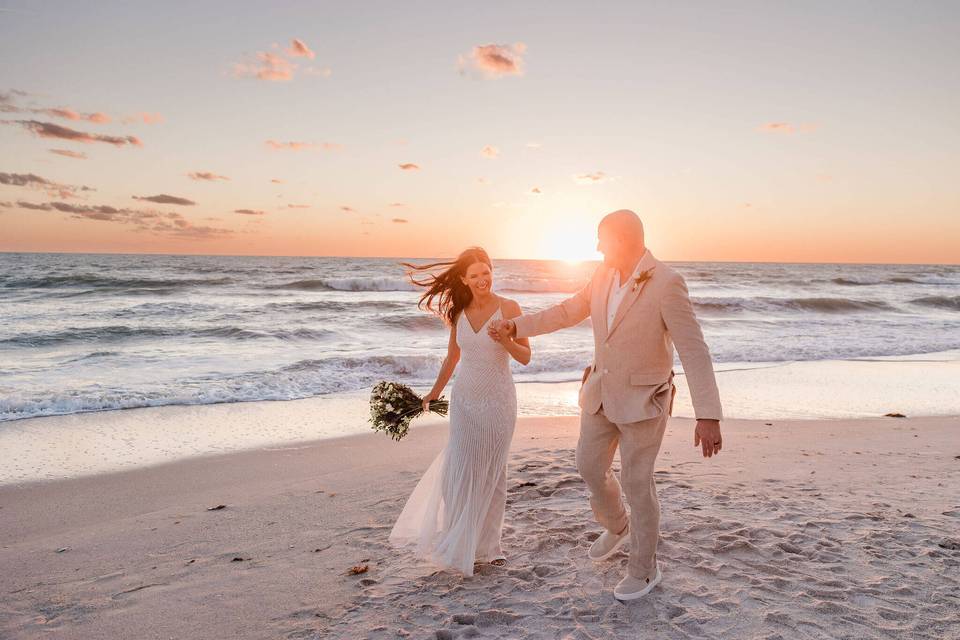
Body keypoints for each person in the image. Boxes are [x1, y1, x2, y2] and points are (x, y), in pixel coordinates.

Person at [488, 210, 723, 601]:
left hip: (645, 402)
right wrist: (518, 326)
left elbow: (694, 350)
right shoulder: (601, 275)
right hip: (599, 394)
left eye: (602, 238)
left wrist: (708, 416)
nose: (596, 246)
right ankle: (618, 525)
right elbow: (567, 311)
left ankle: (645, 570)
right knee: (588, 466)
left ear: (624, 239)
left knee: (637, 483)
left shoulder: (667, 283)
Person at [389, 247, 530, 576]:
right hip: (465, 400)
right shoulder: (459, 312)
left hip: (499, 402)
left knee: (493, 473)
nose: (483, 279)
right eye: (476, 274)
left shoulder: (509, 308)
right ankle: (459, 536)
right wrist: (433, 394)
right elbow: (453, 357)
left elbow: (525, 357)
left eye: (487, 271)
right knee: (460, 469)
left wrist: (505, 339)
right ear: (464, 280)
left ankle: (488, 548)